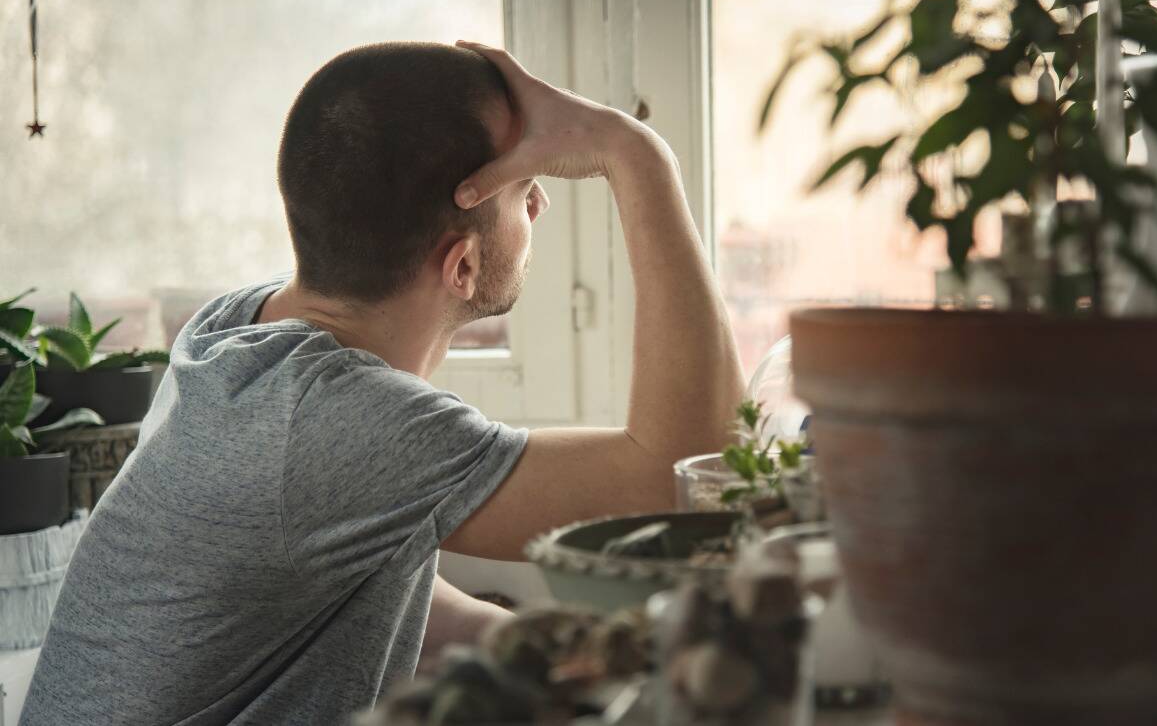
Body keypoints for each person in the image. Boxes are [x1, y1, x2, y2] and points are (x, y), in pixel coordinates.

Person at [21, 40, 743, 725]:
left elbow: (384, 586)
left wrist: (592, 662)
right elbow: (681, 475)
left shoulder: (238, 331)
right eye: (522, 186)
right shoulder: (336, 421)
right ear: (460, 266)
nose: (540, 204)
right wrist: (636, 153)